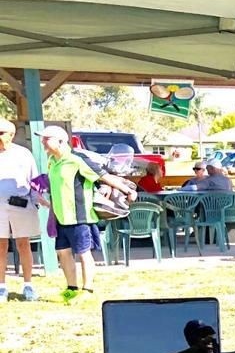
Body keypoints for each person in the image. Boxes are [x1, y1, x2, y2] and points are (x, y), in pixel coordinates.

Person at [40, 125, 137, 301]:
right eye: (43, 138)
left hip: (80, 217)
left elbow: (103, 176)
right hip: (61, 218)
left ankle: (88, 290)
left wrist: (127, 190)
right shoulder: (52, 161)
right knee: (63, 253)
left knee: (84, 253)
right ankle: (71, 289)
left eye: (47, 139)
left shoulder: (77, 159)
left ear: (61, 141)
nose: (43, 142)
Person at [0, 117, 40, 301]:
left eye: (1, 133)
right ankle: (2, 287)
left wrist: (37, 202)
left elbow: (35, 180)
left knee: (23, 244)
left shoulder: (23, 154)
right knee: (1, 246)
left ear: (11, 135)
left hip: (21, 204)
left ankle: (28, 285)